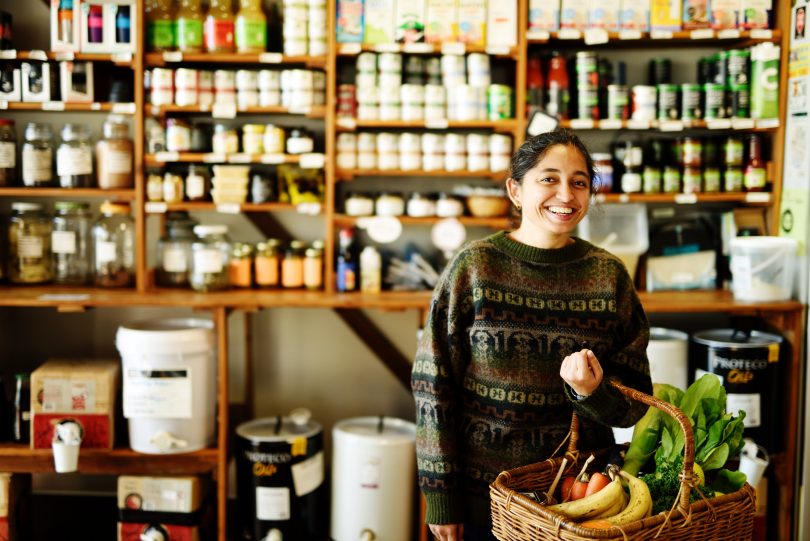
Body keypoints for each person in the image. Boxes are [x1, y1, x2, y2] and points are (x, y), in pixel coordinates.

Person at [412, 130, 652, 541]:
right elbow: (432, 387)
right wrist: (441, 496)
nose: (566, 194)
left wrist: (593, 391)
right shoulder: (474, 267)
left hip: (580, 497)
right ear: (515, 190)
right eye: (548, 179)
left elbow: (633, 405)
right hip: (484, 495)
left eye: (579, 182)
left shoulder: (608, 276)